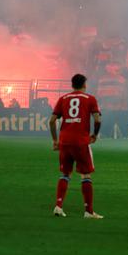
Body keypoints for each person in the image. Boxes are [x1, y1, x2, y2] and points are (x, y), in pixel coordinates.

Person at [50, 74, 103, 219]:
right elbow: (97, 119)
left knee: (65, 174)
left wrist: (55, 141)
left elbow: (52, 120)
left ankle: (58, 206)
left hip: (64, 141)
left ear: (72, 85)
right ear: (84, 84)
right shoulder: (90, 99)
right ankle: (89, 211)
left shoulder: (63, 98)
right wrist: (95, 135)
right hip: (80, 141)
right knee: (86, 175)